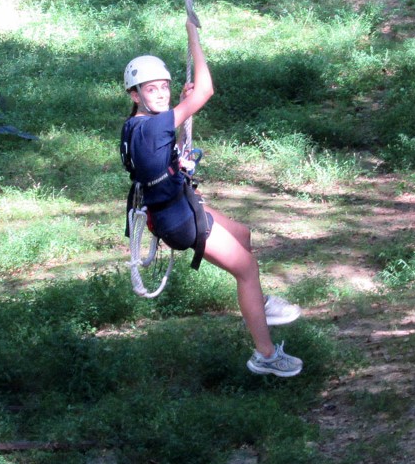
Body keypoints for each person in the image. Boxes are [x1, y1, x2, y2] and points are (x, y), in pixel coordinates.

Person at [121, 19, 303, 377]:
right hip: (178, 219)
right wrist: (193, 36)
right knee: (247, 268)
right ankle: (265, 355)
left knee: (243, 236)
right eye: (150, 89)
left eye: (164, 88)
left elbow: (163, 140)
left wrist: (183, 104)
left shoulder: (136, 124)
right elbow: (206, 90)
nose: (160, 94)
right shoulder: (157, 125)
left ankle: (257, 303)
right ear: (134, 95)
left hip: (176, 206)